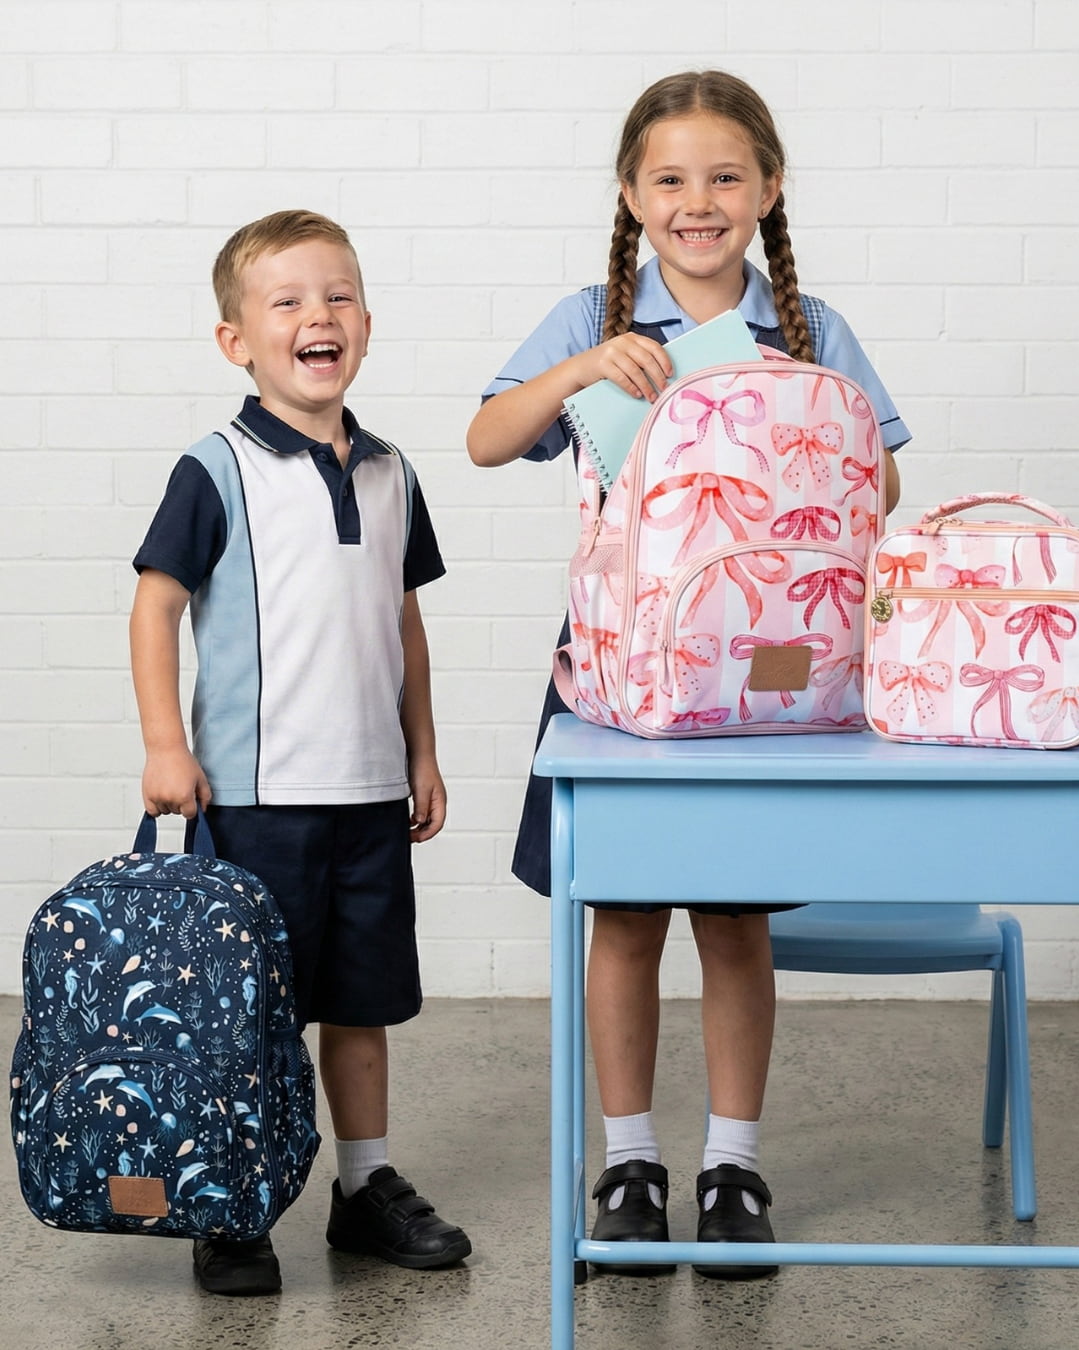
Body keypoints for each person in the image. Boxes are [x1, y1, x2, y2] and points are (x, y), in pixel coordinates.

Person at [466, 70, 908, 1278]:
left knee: (733, 923)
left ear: (770, 189)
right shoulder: (592, 317)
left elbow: (881, 485)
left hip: (765, 686)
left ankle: (733, 1163)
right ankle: (626, 1159)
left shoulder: (807, 329)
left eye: (726, 176)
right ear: (631, 193)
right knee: (622, 916)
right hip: (620, 688)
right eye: (670, 178)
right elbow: (488, 437)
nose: (699, 201)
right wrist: (583, 373)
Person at [130, 209, 470, 1296]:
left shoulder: (390, 469)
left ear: (365, 320)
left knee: (360, 1007)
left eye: (338, 296)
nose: (317, 316)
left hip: (369, 796)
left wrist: (423, 752)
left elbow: (402, 621)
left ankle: (362, 1187)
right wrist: (163, 744)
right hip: (254, 798)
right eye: (287, 301)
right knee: (249, 1014)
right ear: (237, 340)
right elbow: (155, 605)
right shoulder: (216, 467)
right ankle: (230, 1201)